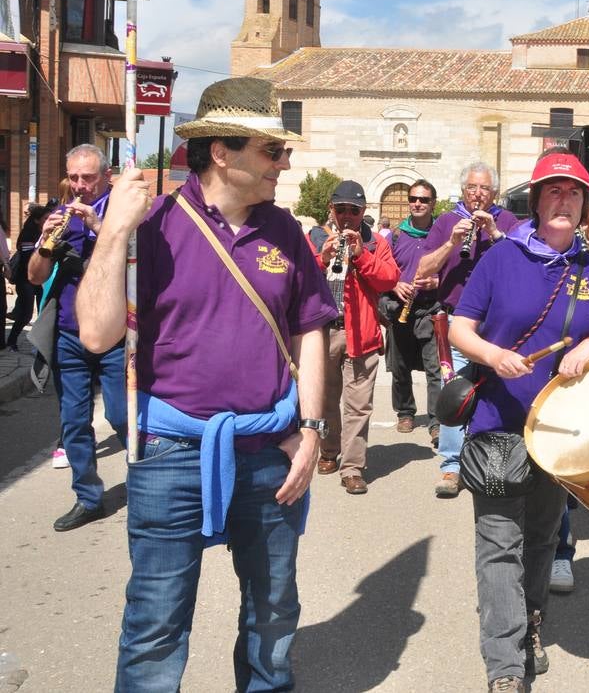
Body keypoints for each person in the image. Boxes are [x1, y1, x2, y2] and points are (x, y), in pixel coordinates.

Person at [76, 76, 336, 690]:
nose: (284, 162)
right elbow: (96, 334)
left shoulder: (286, 231)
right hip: (169, 452)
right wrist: (114, 230)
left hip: (269, 450)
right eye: (272, 150)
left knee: (274, 613)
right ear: (221, 152)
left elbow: (311, 330)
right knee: (157, 622)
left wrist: (312, 430)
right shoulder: (154, 223)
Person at [449, 151, 589, 693]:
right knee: (498, 545)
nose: (563, 200)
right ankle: (504, 666)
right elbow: (460, 327)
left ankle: (530, 623)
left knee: (543, 539)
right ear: (535, 199)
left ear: (585, 204)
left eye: (573, 192)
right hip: (499, 422)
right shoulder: (501, 258)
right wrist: (493, 355)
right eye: (553, 190)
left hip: (564, 433)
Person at [28, 144, 128, 531]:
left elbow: (140, 261)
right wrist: (46, 241)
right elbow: (35, 276)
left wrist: (99, 227)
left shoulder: (122, 210)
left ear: (106, 175)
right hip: (69, 333)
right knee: (73, 422)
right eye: (74, 177)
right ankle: (88, 498)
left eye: (88, 177)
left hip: (115, 333)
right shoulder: (61, 213)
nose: (80, 185)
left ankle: (146, 483)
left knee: (121, 415)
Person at [416, 161, 520, 497]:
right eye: (472, 188)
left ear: (495, 193)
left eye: (485, 188)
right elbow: (423, 268)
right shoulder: (447, 221)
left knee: (498, 392)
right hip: (456, 321)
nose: (478, 194)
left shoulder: (508, 221)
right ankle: (451, 467)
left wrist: (496, 234)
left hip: (497, 325)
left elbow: (522, 266)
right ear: (463, 191)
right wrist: (451, 243)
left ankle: (492, 460)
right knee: (454, 390)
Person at [308, 181, 399, 494]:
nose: (347, 215)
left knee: (358, 406)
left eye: (354, 210)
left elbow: (389, 279)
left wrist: (361, 256)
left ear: (363, 212)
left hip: (362, 333)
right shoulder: (315, 237)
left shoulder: (375, 243)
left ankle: (352, 467)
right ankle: (329, 450)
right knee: (326, 399)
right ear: (331, 209)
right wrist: (321, 259)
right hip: (324, 331)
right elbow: (297, 278)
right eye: (341, 209)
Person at [383, 180, 443, 438]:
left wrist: (436, 282)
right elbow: (383, 271)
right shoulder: (395, 235)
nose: (417, 203)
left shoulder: (442, 234)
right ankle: (405, 413)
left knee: (435, 370)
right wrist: (395, 284)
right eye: (413, 198)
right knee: (400, 367)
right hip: (401, 309)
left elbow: (454, 272)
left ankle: (436, 420)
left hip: (431, 310)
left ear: (433, 203)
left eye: (424, 199)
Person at [7, 200, 51, 350]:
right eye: (46, 218)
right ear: (37, 220)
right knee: (26, 313)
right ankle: (12, 341)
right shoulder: (28, 234)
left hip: (41, 279)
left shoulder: (45, 233)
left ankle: (40, 345)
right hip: (25, 279)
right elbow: (27, 258)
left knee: (43, 312)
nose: (49, 221)